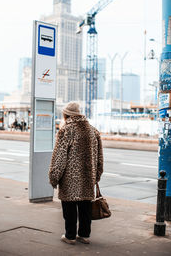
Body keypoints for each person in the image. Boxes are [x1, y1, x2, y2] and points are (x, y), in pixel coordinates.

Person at [49, 102, 104, 245]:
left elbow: (59, 158)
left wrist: (54, 177)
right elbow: (100, 158)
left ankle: (70, 236)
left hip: (69, 179)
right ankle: (84, 235)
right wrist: (96, 175)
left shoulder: (66, 131)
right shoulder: (93, 131)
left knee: (70, 208)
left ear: (66, 114)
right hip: (88, 177)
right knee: (85, 207)